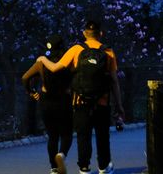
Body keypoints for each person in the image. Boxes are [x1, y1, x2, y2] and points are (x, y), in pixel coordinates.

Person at [38, 20, 125, 174]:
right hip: (102, 102)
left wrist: (42, 59)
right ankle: (104, 167)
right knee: (102, 136)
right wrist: (119, 106)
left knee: (83, 136)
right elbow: (114, 81)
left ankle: (84, 168)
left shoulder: (76, 50)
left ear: (84, 33)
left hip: (80, 101)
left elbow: (55, 68)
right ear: (101, 34)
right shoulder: (108, 52)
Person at [23, 34, 74, 174]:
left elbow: (25, 77)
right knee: (66, 134)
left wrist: (31, 92)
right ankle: (61, 154)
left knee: (52, 136)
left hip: (46, 101)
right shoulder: (68, 61)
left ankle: (53, 168)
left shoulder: (41, 62)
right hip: (64, 100)